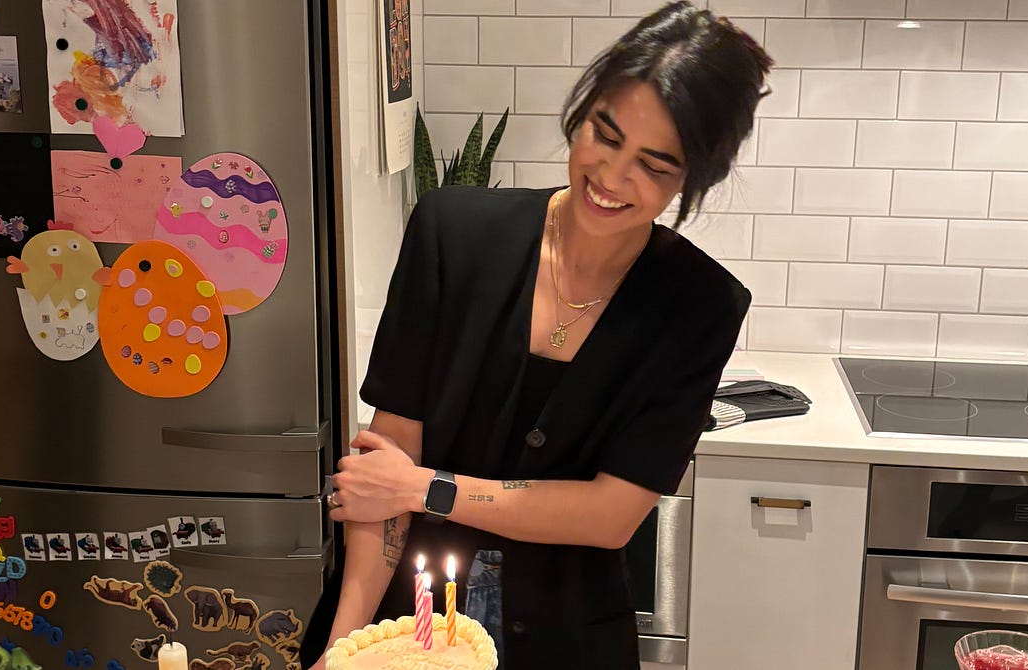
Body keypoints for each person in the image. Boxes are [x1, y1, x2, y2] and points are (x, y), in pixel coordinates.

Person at [301, 2, 773, 668]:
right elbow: (386, 473)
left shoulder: (700, 306)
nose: (611, 176)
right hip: (407, 623)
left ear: (696, 176)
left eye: (654, 165)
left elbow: (611, 514)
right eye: (604, 133)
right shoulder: (452, 233)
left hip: (567, 639)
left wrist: (428, 488)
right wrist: (343, 648)